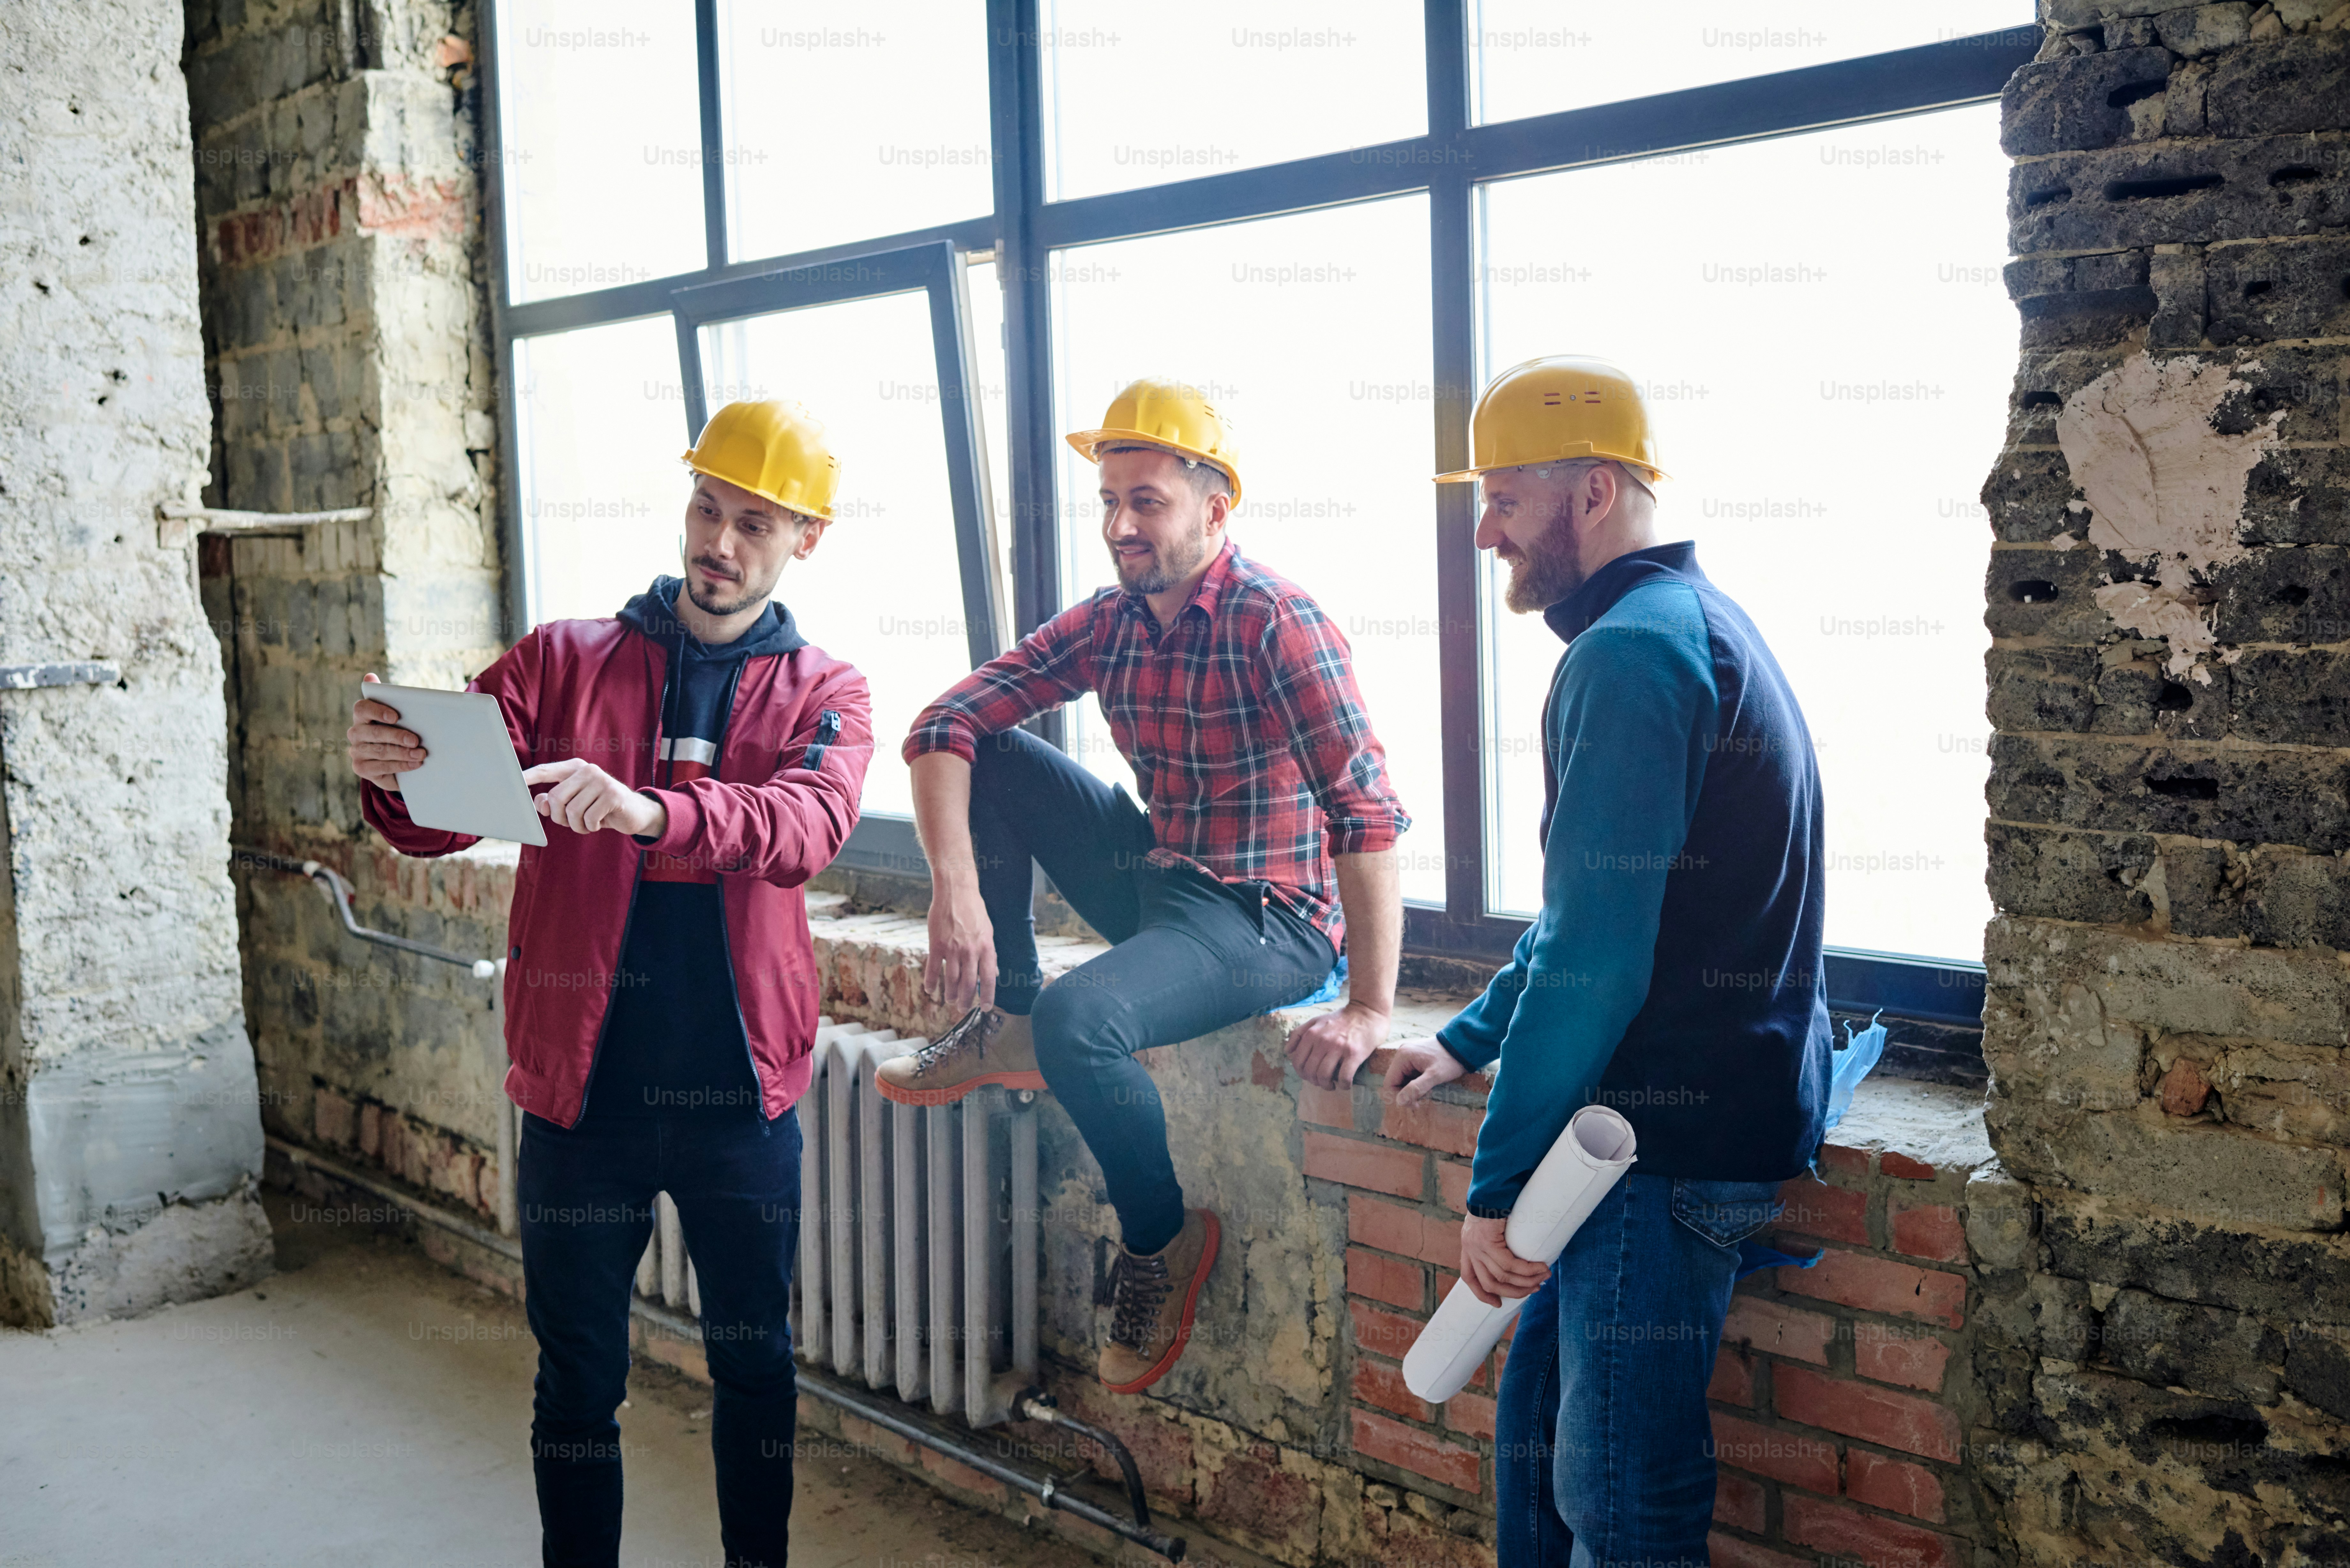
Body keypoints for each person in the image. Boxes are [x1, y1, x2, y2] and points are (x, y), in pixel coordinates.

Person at [345, 400, 873, 1568]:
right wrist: (392, 773)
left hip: (741, 1108)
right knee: (578, 1380)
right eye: (707, 508)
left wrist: (651, 812)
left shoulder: (828, 691)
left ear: (807, 539)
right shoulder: (559, 661)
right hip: (582, 1107)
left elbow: (806, 828)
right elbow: (442, 815)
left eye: (754, 524)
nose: (719, 543)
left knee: (754, 1366)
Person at [1384, 357, 1831, 1565]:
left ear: (1591, 492)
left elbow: (1594, 961)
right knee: (1538, 1453)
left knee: (1623, 1502)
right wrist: (1469, 1038)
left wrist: (1493, 1190)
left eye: (1503, 499)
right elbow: (1595, 913)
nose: (1485, 533)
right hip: (1674, 1129)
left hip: (1655, 1149)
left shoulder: (1630, 656)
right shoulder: (1691, 623)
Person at [879, 377, 1410, 1395]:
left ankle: (1163, 1242)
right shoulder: (1111, 621)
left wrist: (1372, 1009)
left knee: (1086, 1020)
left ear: (1215, 509)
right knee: (992, 753)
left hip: (1268, 918)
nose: (1121, 526)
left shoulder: (1278, 622)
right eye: (1110, 502)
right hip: (1162, 878)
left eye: (1148, 502)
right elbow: (943, 724)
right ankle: (1010, 1016)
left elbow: (1368, 814)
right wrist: (956, 890)